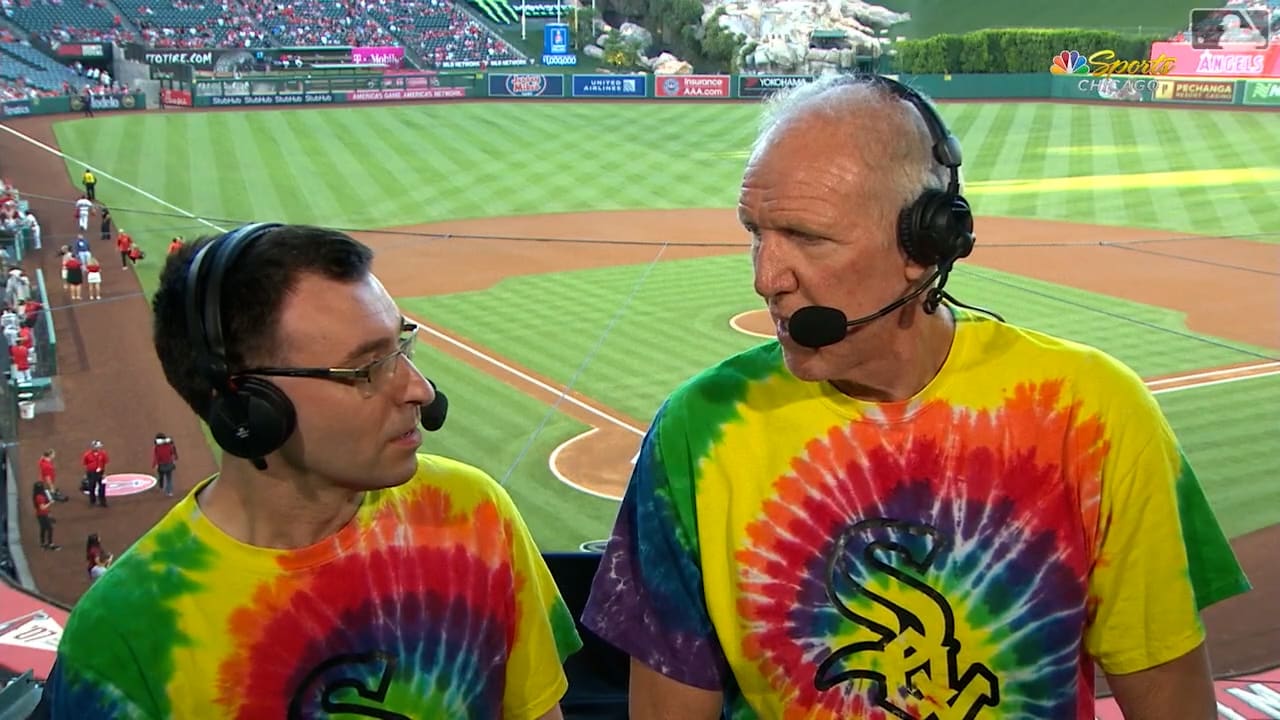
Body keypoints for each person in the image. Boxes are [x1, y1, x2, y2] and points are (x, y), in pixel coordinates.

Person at [580, 73, 1250, 720]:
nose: (766, 277)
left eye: (807, 237)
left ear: (924, 244)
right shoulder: (700, 429)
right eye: (756, 232)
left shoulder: (1092, 414)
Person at [42, 223, 581, 719]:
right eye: (367, 368)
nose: (419, 389)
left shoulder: (473, 515)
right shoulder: (123, 634)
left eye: (402, 346)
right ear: (249, 408)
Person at [81, 440, 109, 507]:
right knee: (91, 487)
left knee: (102, 488)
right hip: (91, 473)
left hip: (101, 473)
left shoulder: (103, 454)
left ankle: (102, 502)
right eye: (98, 447)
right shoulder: (87, 455)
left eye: (99, 447)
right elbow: (85, 464)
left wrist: (105, 473)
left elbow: (105, 463)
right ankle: (92, 501)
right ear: (93, 447)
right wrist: (86, 474)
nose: (99, 448)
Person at [32, 482, 59, 550]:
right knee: (50, 528)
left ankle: (43, 544)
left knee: (43, 529)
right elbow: (42, 507)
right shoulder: (39, 497)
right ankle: (50, 544)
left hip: (41, 514)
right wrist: (50, 503)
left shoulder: (36, 495)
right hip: (43, 515)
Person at [151, 431, 177, 496]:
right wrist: (174, 460)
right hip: (169, 464)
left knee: (161, 476)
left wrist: (155, 464)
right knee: (169, 479)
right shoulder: (169, 445)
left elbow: (156, 456)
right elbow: (172, 453)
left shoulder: (157, 447)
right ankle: (169, 492)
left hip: (161, 465)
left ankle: (161, 486)